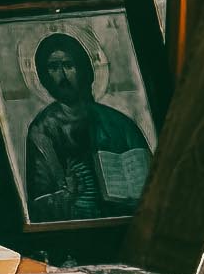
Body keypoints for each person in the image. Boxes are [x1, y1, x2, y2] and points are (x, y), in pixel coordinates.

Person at [15, 29, 152, 225]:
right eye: (53, 68)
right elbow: (39, 205)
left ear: (84, 70)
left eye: (68, 65)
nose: (62, 76)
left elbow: (153, 185)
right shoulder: (43, 130)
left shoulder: (119, 124)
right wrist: (67, 195)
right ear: (44, 76)